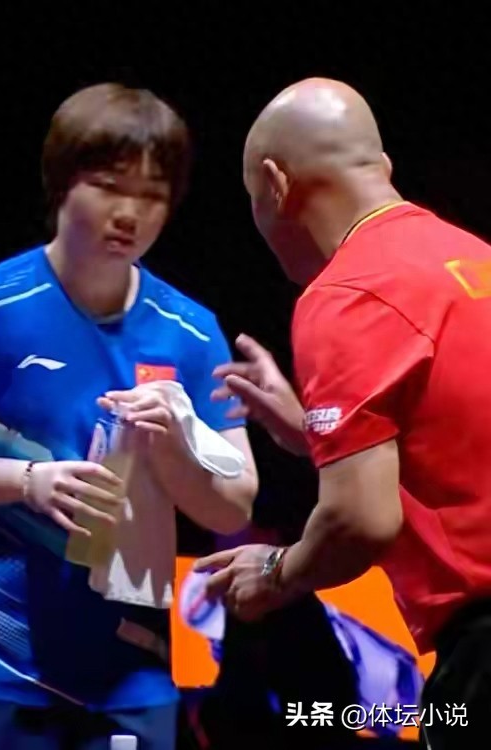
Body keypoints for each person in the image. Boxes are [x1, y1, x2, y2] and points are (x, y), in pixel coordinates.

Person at [0, 82, 258, 750]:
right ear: (61, 183)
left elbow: (233, 507)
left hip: (128, 679)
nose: (129, 214)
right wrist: (26, 482)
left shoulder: (194, 334)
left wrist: (172, 446)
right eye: (108, 187)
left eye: (152, 195)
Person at [197, 77, 491, 748]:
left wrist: (276, 574)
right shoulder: (475, 259)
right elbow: (459, 443)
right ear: (379, 166)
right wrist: (314, 434)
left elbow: (361, 520)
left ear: (275, 184)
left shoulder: (350, 291)